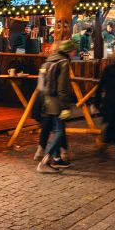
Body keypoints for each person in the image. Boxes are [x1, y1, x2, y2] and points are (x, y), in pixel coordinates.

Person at [36, 39, 76, 173]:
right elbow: (62, 88)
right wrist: (65, 106)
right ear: (69, 51)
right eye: (73, 51)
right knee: (59, 132)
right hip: (57, 102)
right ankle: (45, 162)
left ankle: (57, 158)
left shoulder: (48, 61)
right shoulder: (63, 63)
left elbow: (41, 84)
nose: (74, 53)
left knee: (56, 129)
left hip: (46, 100)